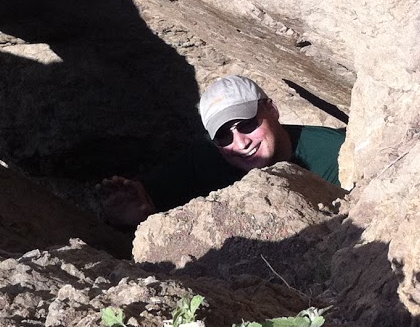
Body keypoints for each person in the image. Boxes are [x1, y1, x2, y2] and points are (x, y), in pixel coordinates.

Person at [97, 75, 346, 229]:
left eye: (246, 124)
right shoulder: (206, 159)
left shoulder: (334, 154)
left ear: (272, 109)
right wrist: (127, 217)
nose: (240, 143)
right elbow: (146, 200)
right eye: (224, 135)